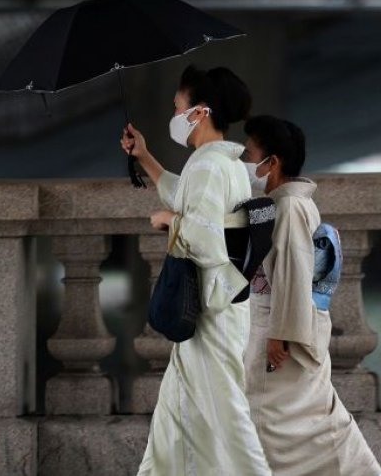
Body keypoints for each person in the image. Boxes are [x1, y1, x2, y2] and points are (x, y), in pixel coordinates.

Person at [122, 65, 271, 476]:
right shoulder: (218, 163)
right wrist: (146, 157)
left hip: (212, 317)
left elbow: (206, 239)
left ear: (199, 112)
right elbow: (191, 198)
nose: (174, 115)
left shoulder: (208, 166)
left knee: (224, 419)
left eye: (178, 107)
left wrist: (167, 221)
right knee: (179, 418)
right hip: (217, 310)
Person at [241, 115, 381, 476]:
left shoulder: (287, 206)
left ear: (272, 162)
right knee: (313, 420)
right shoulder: (291, 203)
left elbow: (291, 271)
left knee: (272, 424)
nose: (243, 160)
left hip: (279, 328)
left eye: (248, 152)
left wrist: (279, 334)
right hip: (294, 322)